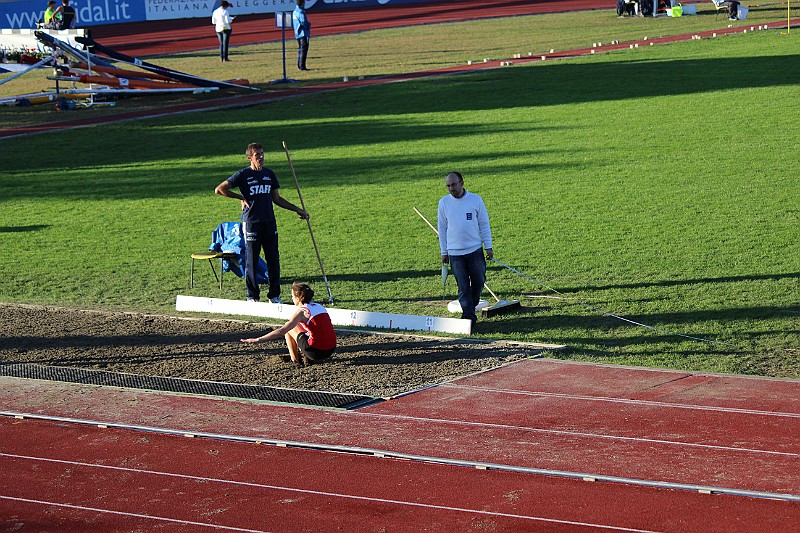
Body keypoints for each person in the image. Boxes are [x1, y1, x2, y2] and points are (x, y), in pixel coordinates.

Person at [215, 143, 309, 304]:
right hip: (252, 223)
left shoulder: (269, 174)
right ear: (249, 157)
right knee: (251, 260)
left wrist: (297, 209)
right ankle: (252, 296)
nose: (261, 157)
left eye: (262, 154)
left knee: (273, 260)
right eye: (257, 155)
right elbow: (219, 189)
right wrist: (240, 198)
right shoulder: (243, 175)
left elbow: (277, 199)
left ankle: (274, 295)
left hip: (269, 222)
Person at [437, 171, 493, 327]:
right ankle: (468, 317)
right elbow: (442, 229)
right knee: (463, 286)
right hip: (455, 254)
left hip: (475, 250)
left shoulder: (476, 200)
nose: (451, 188)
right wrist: (444, 251)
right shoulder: (443, 203)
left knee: (479, 281)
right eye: (448, 186)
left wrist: (488, 246)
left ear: (462, 183)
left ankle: (471, 306)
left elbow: (484, 224)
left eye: (453, 185)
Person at [241, 282, 336, 367]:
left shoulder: (302, 312)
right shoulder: (319, 306)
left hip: (315, 351)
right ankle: (304, 356)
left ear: (298, 298)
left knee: (289, 327)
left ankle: (295, 361)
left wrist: (259, 339)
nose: (292, 298)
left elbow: (282, 331)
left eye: (292, 296)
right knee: (301, 327)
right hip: (331, 349)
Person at [292, 0, 311, 71]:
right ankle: (302, 66)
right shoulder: (301, 12)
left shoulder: (294, 11)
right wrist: (309, 25)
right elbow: (303, 22)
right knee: (304, 50)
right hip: (303, 33)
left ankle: (299, 65)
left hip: (297, 33)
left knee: (300, 49)